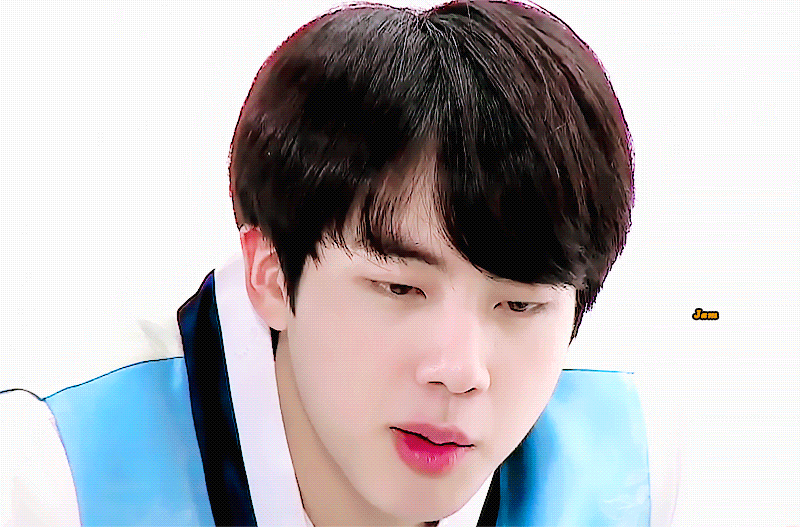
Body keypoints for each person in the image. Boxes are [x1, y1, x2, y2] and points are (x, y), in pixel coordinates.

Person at [1, 1, 670, 525]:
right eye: (399, 287)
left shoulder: (624, 473)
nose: (460, 371)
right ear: (270, 274)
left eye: (519, 303)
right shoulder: (57, 474)